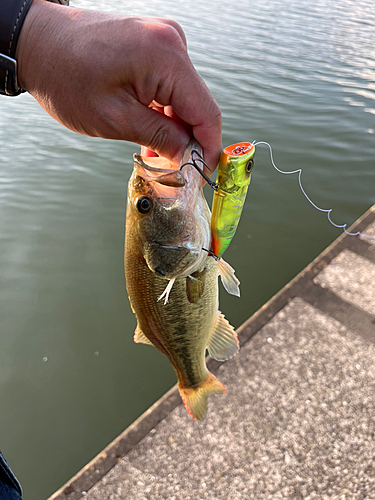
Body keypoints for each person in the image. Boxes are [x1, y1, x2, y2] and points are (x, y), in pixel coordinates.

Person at [0, 0, 222, 497]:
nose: (145, 191)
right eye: (146, 205)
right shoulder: (177, 255)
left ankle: (193, 375)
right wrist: (26, 32)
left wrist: (30, 34)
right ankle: (194, 376)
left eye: (141, 205)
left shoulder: (174, 254)